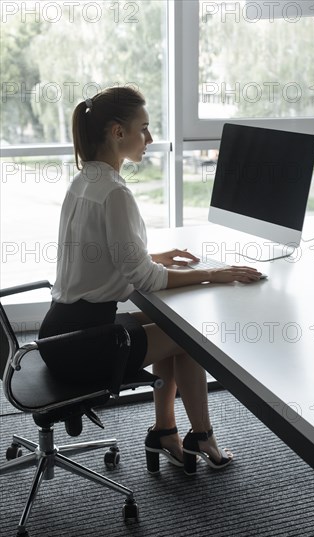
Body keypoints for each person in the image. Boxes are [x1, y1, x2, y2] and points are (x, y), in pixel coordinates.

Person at [39, 86, 263, 475]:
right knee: (190, 338)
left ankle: (167, 430)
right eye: (144, 128)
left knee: (175, 330)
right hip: (86, 344)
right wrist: (213, 274)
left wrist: (156, 256)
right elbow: (141, 277)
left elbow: (108, 255)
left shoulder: (85, 180)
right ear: (117, 132)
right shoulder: (113, 192)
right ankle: (201, 435)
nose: (151, 138)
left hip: (60, 331)